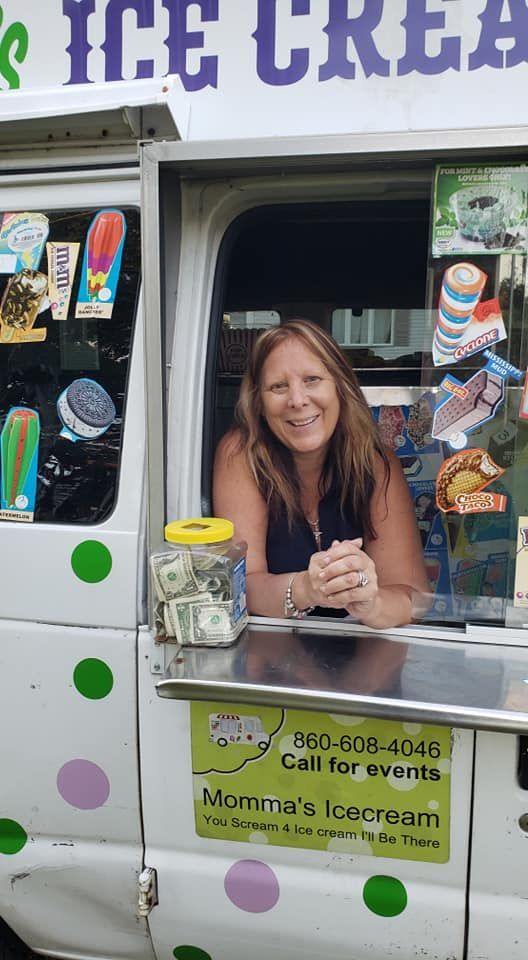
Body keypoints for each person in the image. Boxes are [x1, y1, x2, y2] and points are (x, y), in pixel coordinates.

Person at [213, 320, 429, 630]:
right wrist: (307, 589)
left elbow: (414, 597)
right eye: (278, 386)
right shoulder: (241, 453)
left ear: (340, 387)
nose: (298, 400)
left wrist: (371, 602)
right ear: (258, 402)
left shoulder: (377, 463)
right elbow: (242, 585)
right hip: (270, 648)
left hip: (362, 650)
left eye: (312, 380)